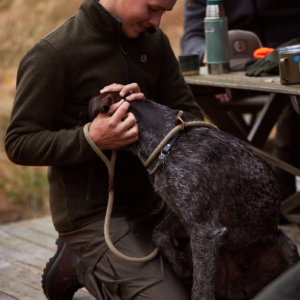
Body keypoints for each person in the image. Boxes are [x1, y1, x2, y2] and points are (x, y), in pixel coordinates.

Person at [4, 0, 203, 299]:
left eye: (165, 11)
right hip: (94, 218)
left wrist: (152, 111)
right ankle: (80, 263)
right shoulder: (53, 53)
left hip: (161, 204)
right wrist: (90, 139)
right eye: (152, 8)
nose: (157, 22)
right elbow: (19, 143)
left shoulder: (154, 42)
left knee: (229, 282)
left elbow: (193, 119)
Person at [181, 0, 300, 200]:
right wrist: (211, 55)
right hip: (234, 71)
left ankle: (280, 196)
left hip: (292, 67)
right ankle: (279, 198)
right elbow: (192, 37)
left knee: (294, 103)